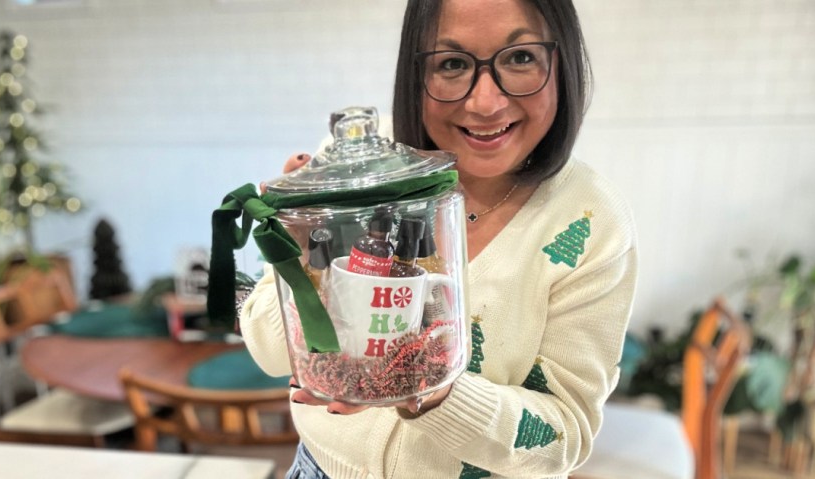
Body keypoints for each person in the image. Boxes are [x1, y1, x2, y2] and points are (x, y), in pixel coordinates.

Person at [241, 0, 638, 477]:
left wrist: (435, 390)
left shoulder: (590, 221)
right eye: (452, 64)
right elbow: (269, 352)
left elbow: (562, 439)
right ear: (416, 72)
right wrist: (300, 260)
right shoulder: (359, 174)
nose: (485, 103)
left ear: (564, 65)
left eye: (520, 57)